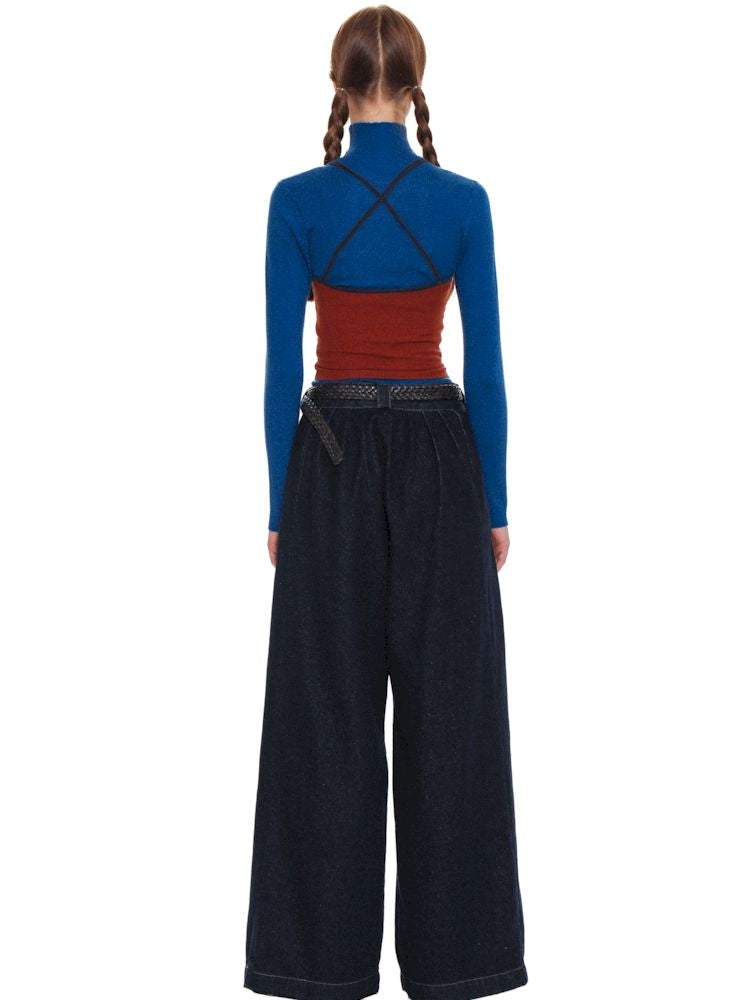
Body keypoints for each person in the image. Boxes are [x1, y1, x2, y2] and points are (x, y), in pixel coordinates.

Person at [244, 7, 528, 1000]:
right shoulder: (464, 202)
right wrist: (494, 501)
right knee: (453, 719)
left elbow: (280, 374)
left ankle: (317, 967)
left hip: (327, 460)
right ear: (413, 84)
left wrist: (280, 504)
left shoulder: (296, 201)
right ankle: (461, 966)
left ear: (340, 84)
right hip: (442, 462)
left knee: (324, 718)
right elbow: (486, 374)